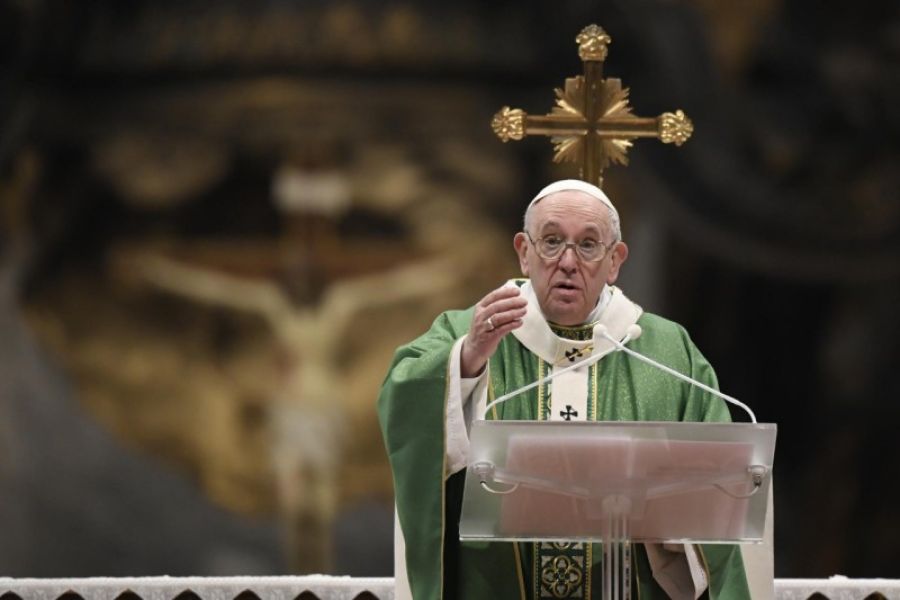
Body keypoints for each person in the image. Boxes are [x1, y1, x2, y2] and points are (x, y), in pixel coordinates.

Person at [377, 179, 752, 599]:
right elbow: (404, 397)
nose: (568, 262)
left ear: (615, 261)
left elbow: (719, 488)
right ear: (524, 252)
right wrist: (467, 361)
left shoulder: (667, 352)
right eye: (552, 241)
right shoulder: (472, 332)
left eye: (589, 245)